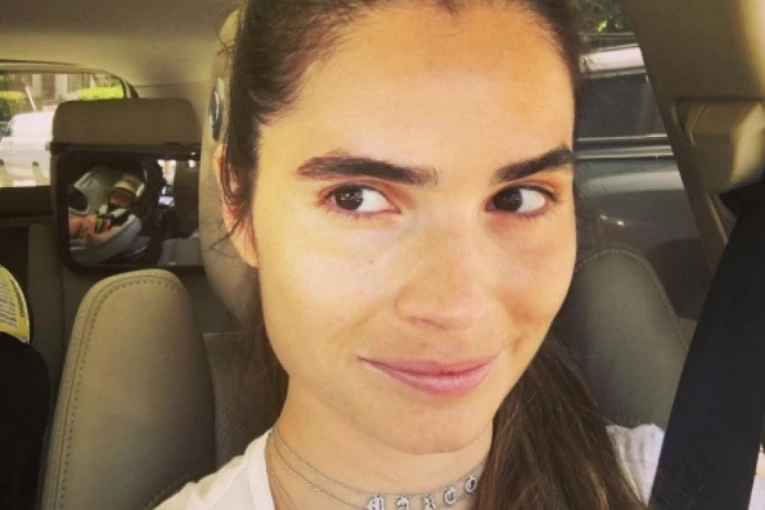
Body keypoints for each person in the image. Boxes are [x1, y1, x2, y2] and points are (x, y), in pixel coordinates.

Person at [157, 0, 765, 508]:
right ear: (236, 202)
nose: (457, 307)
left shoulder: (691, 483)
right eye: (356, 197)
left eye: (518, 197)